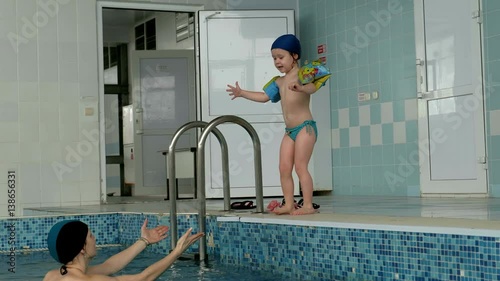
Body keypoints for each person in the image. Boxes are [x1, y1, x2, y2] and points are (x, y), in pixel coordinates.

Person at [226, 34, 323, 216]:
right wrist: (241, 92)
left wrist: (302, 88)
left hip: (305, 128)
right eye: (274, 58)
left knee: (300, 167)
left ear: (294, 56)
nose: (277, 61)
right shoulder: (278, 81)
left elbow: (313, 88)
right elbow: (263, 97)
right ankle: (288, 204)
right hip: (290, 131)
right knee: (284, 168)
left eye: (281, 57)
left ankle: (308, 205)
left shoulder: (303, 76)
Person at [43, 218, 204, 281]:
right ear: (82, 249)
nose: (95, 239)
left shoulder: (52, 275)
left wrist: (144, 241)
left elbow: (110, 266)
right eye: (91, 236)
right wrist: (177, 252)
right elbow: (144, 278)